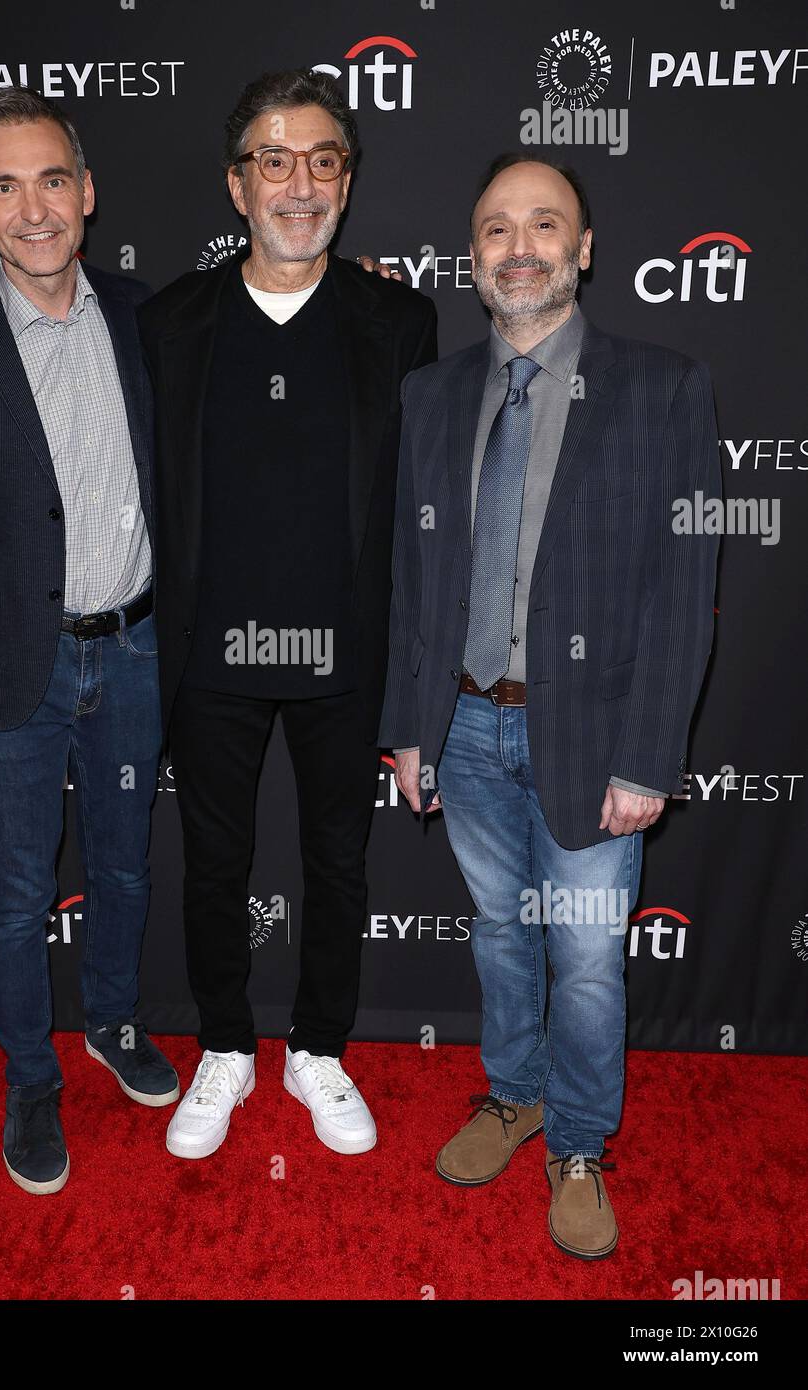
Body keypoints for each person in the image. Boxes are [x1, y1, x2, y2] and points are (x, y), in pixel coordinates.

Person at [380, 154, 720, 1257]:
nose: (516, 247)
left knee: (580, 955)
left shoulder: (662, 387)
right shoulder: (427, 397)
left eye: (542, 226)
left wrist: (648, 755)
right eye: (493, 230)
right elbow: (409, 579)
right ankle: (512, 1093)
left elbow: (684, 592)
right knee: (497, 933)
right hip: (465, 727)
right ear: (470, 257)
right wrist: (406, 723)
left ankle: (577, 1138)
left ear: (582, 250)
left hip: (593, 734)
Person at [137, 68, 437, 1159]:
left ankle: (317, 1047)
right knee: (211, 864)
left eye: (322, 161)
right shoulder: (170, 320)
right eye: (273, 160)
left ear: (347, 182)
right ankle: (224, 1044)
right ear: (235, 184)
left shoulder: (399, 318)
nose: (297, 183)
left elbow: (417, 509)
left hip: (344, 655)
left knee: (338, 864)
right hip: (207, 653)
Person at [0, 86, 177, 1197]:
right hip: (12, 667)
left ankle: (110, 1020)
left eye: (50, 178)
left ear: (87, 190)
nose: (33, 207)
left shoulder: (142, 312)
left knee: (119, 863)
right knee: (16, 892)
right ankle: (28, 1077)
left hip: (140, 649)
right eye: (3, 186)